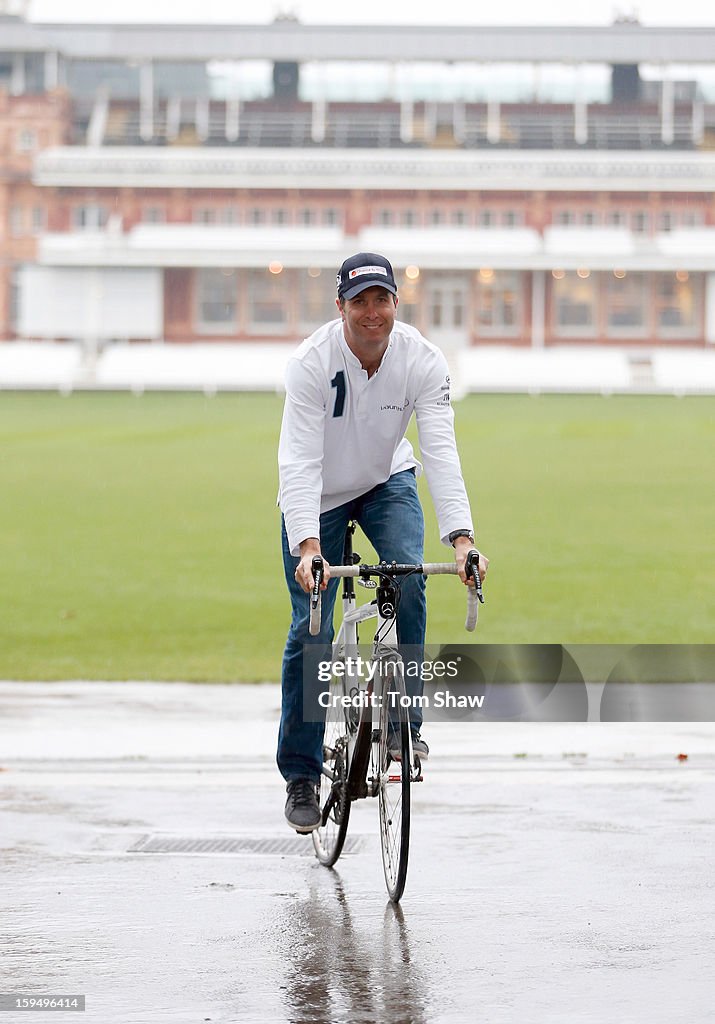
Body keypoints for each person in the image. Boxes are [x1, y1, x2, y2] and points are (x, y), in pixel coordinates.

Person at [277, 252, 488, 833]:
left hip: (384, 481)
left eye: (382, 300)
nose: (373, 313)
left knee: (409, 581)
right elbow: (297, 461)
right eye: (360, 301)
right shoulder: (310, 364)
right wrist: (308, 549)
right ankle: (300, 770)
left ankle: (404, 729)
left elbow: (440, 451)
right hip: (317, 494)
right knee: (313, 625)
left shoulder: (422, 359)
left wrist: (464, 540)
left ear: (396, 302)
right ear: (340, 307)